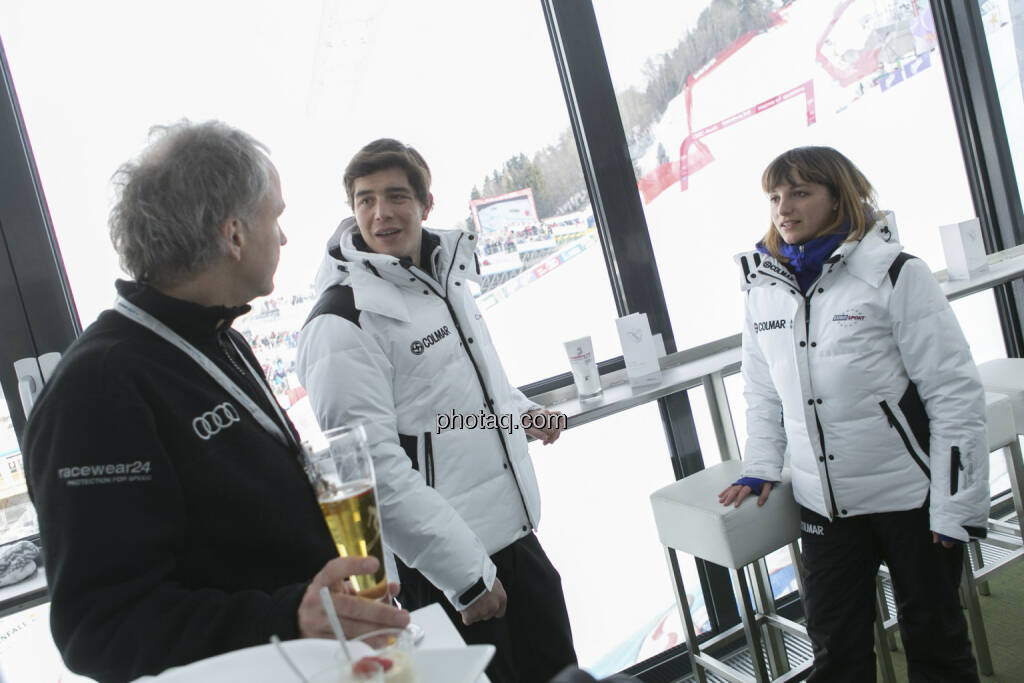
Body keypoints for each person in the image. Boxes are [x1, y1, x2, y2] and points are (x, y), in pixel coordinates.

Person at [22, 121, 409, 683]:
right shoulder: (98, 389)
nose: (281, 238)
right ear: (233, 236)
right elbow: (99, 627)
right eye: (273, 218)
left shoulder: (217, 337)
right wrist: (286, 617)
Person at [296, 138, 577, 682]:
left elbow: (460, 392)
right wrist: (464, 576)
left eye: (397, 196)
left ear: (426, 204)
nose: (381, 213)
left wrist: (519, 411)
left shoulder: (443, 279)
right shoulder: (342, 322)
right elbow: (374, 470)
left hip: (514, 536)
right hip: (450, 572)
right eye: (365, 199)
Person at [720, 146, 988, 682]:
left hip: (911, 497)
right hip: (825, 506)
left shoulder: (895, 274)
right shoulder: (762, 289)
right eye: (775, 196)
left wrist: (955, 505)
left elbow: (954, 393)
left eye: (800, 192)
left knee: (936, 645)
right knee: (836, 656)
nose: (783, 209)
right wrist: (762, 464)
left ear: (839, 196)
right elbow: (762, 392)